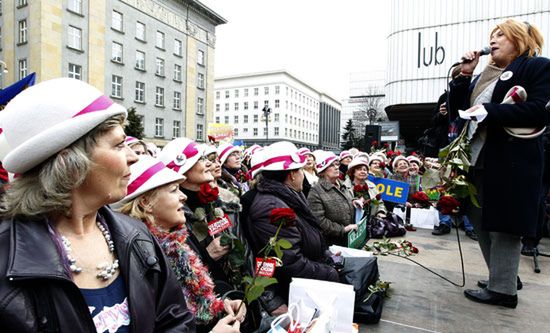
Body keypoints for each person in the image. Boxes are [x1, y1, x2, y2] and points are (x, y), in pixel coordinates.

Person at [0, 78, 195, 331]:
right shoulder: (6, 259)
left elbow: (174, 320)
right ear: (69, 164)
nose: (134, 156)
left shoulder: (137, 236)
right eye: (118, 145)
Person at [448, 19, 550, 308]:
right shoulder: (488, 73)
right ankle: (502, 275)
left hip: (511, 160)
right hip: (480, 158)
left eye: (500, 35)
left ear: (519, 40)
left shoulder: (537, 66)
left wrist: (490, 111)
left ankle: (503, 290)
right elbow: (460, 112)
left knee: (505, 223)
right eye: (492, 36)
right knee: (478, 215)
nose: (492, 41)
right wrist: (463, 77)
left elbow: (539, 111)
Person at [116, 156, 244, 333]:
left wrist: (222, 305)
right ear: (146, 203)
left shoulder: (176, 240)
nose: (183, 197)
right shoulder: (139, 257)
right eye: (174, 190)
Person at [244, 142, 340, 316]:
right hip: (290, 293)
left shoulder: (290, 195)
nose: (303, 175)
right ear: (292, 175)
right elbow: (288, 262)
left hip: (303, 284)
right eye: (301, 170)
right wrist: (329, 272)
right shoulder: (272, 206)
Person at [308, 151, 358, 246]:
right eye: (331, 165)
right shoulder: (316, 191)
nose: (336, 167)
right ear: (322, 171)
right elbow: (319, 221)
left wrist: (353, 201)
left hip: (349, 240)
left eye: (337, 164)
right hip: (331, 244)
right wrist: (343, 229)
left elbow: (345, 199)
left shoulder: (342, 185)